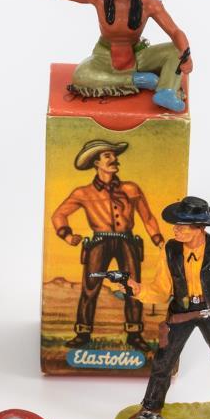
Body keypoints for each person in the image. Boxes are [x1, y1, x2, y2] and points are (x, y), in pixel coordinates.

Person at [120, 196, 210, 419]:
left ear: (200, 228)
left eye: (182, 226)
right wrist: (137, 290)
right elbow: (161, 290)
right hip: (181, 314)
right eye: (175, 225)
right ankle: (151, 407)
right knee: (163, 362)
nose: (175, 230)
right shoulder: (170, 250)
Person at [36, 0, 192, 112]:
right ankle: (138, 80)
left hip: (137, 55)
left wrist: (186, 54)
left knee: (178, 50)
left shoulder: (150, 5)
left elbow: (175, 32)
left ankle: (166, 91)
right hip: (104, 56)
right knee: (80, 75)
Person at [51, 139, 163, 351]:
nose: (114, 159)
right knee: (90, 287)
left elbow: (147, 217)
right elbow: (58, 215)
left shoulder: (131, 189)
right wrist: (67, 236)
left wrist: (158, 240)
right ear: (96, 162)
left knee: (132, 286)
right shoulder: (83, 193)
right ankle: (83, 334)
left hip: (127, 242)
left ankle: (134, 334)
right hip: (99, 243)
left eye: (114, 155)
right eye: (108, 156)